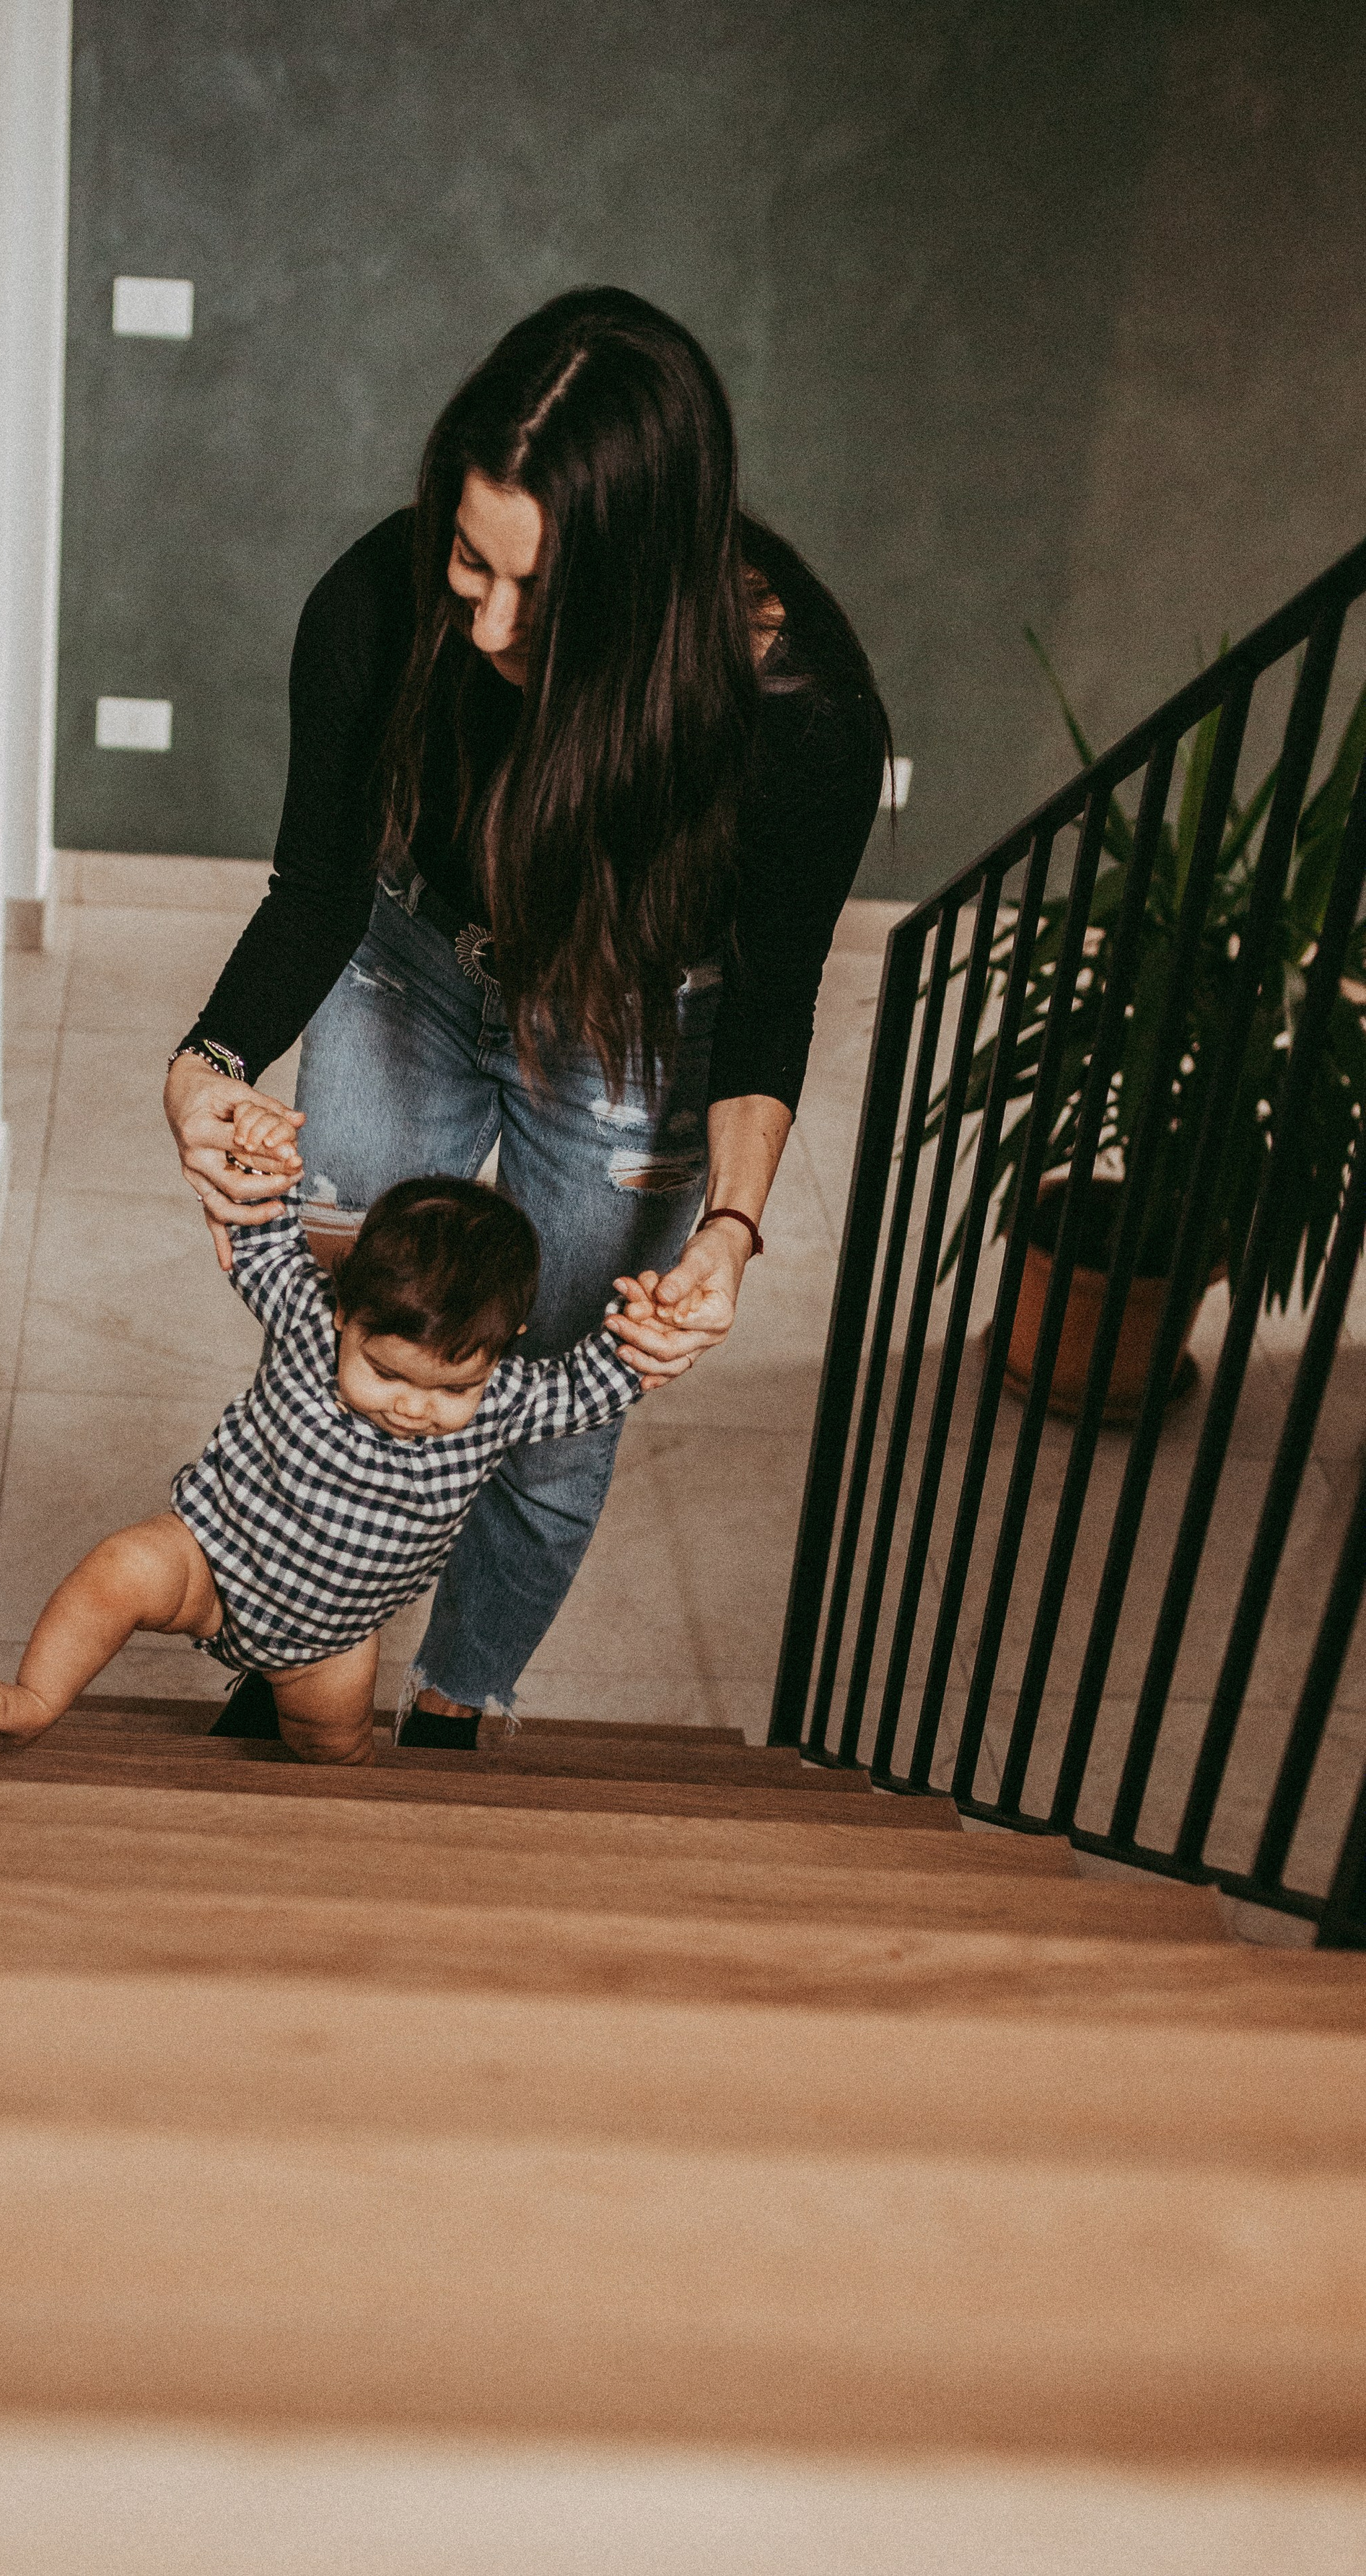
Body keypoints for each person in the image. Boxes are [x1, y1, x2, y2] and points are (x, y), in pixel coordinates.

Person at [162, 286, 888, 1747]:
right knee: (344, 1336)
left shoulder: (797, 720)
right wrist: (201, 1071)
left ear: (645, 592)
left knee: (555, 1410)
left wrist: (729, 1235)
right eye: (464, 563)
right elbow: (312, 891)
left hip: (630, 1027)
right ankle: (307, 1639)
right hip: (407, 968)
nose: (485, 621)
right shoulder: (373, 605)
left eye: (536, 596)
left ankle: (454, 1695)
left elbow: (765, 1004)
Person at [0, 1154, 683, 1766]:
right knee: (118, 1572)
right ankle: (37, 1699)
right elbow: (261, 1240)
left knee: (334, 1751)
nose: (413, 1406)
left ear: (504, 1346)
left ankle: (333, 1832)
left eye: (451, 1387)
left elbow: (589, 1389)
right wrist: (257, 1160)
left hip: (330, 1635)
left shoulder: (505, 1399)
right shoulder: (306, 1320)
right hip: (210, 1557)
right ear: (346, 1311)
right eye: (387, 1373)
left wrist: (645, 1337)